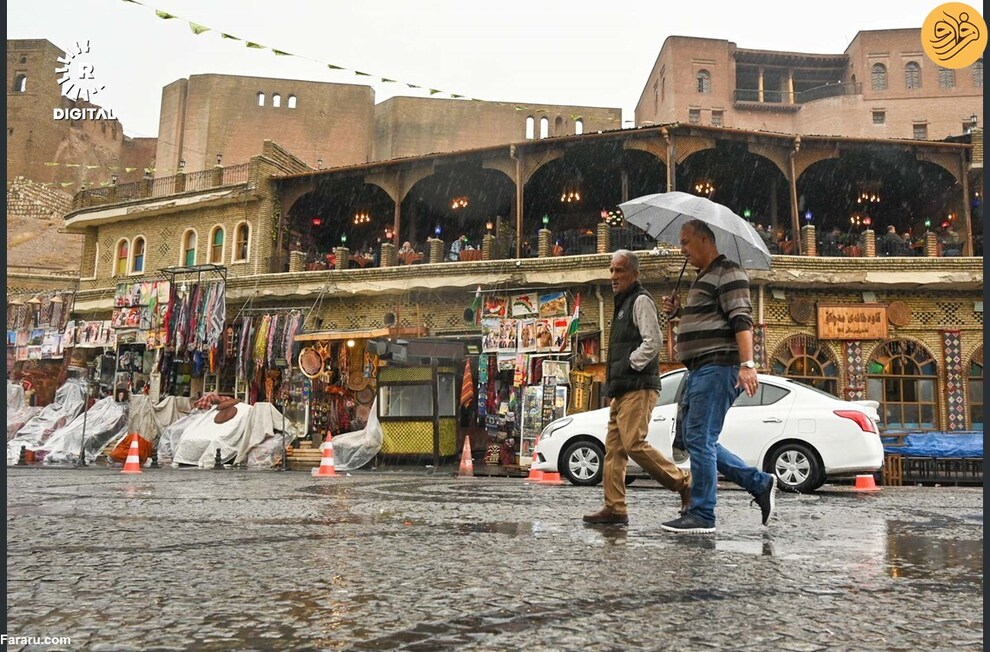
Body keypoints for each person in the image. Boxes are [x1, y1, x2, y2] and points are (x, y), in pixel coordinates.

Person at [658, 219, 777, 534]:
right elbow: (708, 319)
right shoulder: (703, 277)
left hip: (718, 367)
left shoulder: (729, 272)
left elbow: (741, 319)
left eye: (685, 242)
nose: (682, 250)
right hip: (699, 368)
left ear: (704, 240)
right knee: (697, 440)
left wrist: (748, 364)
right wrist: (678, 312)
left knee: (700, 439)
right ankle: (759, 483)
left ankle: (703, 514)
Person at [583, 249, 691, 526]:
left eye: (619, 270)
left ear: (634, 274)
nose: (613, 276)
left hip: (639, 386)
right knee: (614, 451)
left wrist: (629, 365)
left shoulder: (640, 300)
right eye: (611, 270)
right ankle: (615, 508)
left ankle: (684, 482)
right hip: (622, 389)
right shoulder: (622, 303)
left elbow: (652, 342)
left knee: (633, 444)